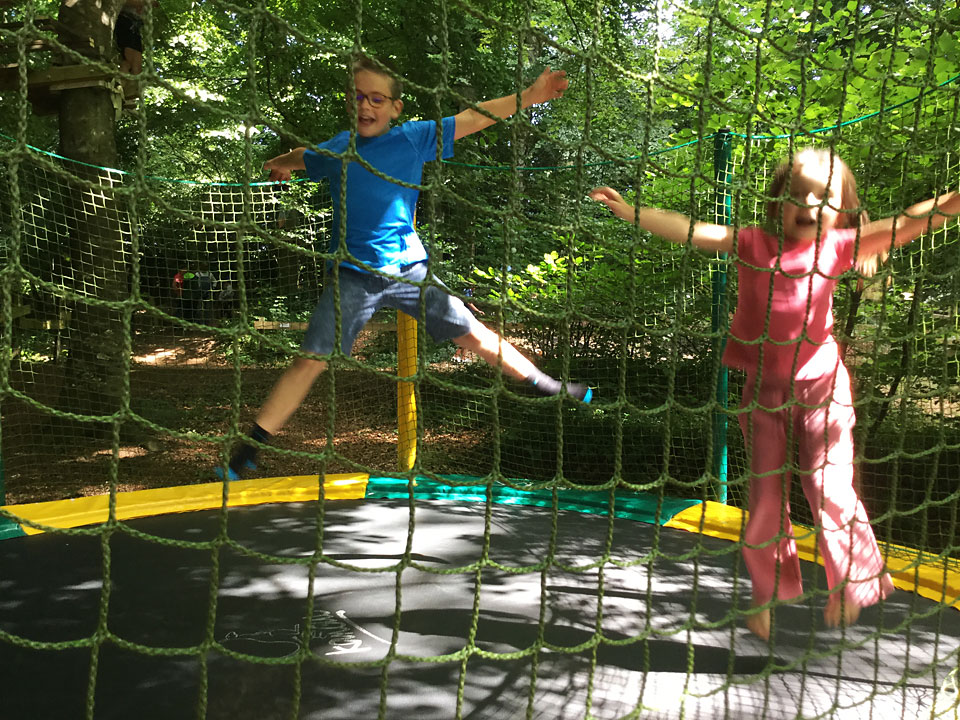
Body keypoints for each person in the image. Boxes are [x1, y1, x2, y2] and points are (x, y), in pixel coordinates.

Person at [590, 148, 960, 639]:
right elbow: (688, 228)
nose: (808, 202)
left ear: (842, 209)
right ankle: (765, 594)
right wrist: (632, 211)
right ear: (777, 203)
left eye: (822, 195)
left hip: (822, 387)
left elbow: (907, 221)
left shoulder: (840, 246)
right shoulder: (751, 242)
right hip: (762, 391)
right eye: (796, 193)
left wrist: (951, 202)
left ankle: (851, 579)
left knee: (826, 486)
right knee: (765, 500)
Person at [219, 55, 592, 482]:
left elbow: (473, 117)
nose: (366, 106)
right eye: (358, 97)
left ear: (396, 108)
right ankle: (249, 449)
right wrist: (281, 162)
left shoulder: (413, 139)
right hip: (353, 277)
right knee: (310, 360)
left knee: (475, 335)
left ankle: (544, 383)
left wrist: (532, 95)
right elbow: (308, 156)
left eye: (377, 99)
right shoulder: (340, 148)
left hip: (408, 271)